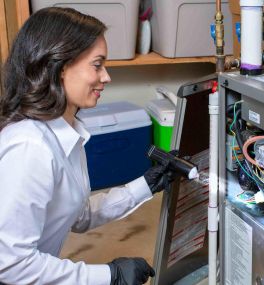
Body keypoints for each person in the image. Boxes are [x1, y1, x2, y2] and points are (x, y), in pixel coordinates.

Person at [0, 7, 174, 285]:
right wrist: (110, 275)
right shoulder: (30, 146)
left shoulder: (65, 131)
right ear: (59, 66)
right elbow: (11, 264)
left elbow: (77, 215)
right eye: (97, 65)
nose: (106, 77)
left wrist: (145, 185)